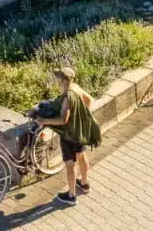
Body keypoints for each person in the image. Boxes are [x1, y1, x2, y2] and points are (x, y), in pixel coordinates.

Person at [34, 67, 100, 206]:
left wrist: (44, 121)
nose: (56, 79)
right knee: (81, 155)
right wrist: (82, 117)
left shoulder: (67, 97)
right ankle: (84, 184)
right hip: (80, 131)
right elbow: (89, 100)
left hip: (70, 134)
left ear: (63, 80)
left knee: (70, 164)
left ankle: (71, 196)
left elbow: (64, 120)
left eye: (58, 77)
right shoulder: (76, 87)